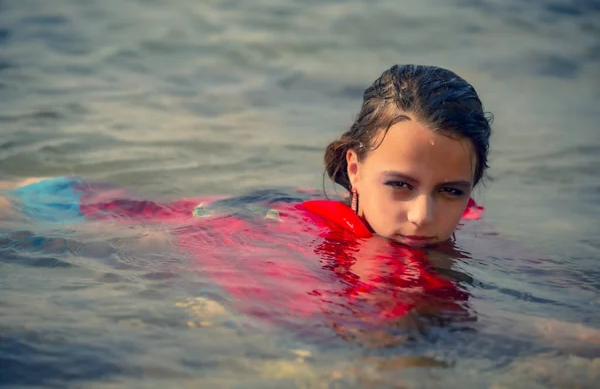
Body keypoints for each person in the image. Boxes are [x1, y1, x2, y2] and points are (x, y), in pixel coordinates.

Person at [0, 64, 489, 338]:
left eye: (450, 191)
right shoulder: (333, 242)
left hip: (124, 203)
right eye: (400, 185)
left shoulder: (417, 236)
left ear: (471, 188)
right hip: (79, 211)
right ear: (354, 169)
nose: (423, 215)